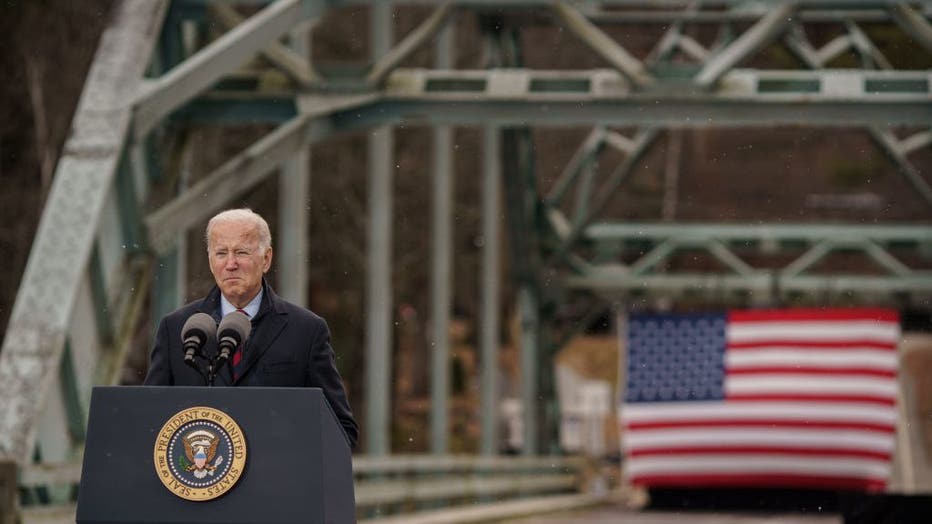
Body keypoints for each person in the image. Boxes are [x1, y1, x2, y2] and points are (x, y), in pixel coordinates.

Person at [144, 208, 358, 449]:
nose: (231, 264)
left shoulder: (306, 331)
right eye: (221, 253)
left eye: (241, 252)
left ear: (266, 259)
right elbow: (149, 420)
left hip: (276, 480)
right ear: (210, 261)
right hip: (200, 478)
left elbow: (340, 430)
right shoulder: (176, 329)